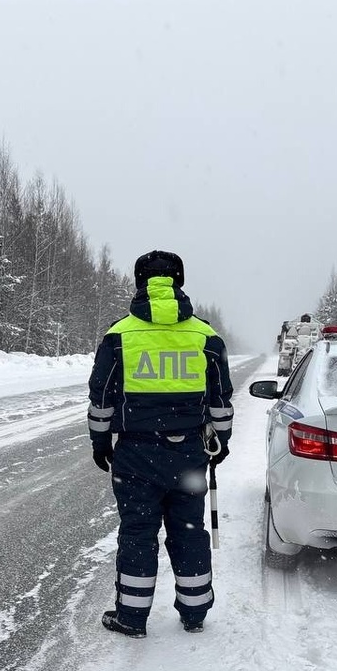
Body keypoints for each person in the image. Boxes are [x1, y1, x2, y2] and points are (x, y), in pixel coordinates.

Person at [87, 250, 234, 638]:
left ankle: (132, 619)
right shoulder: (205, 336)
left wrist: (101, 442)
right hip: (188, 454)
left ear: (139, 282)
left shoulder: (120, 335)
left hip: (135, 455)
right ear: (180, 281)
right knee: (189, 530)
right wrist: (222, 441)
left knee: (138, 533)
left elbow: (101, 397)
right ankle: (195, 612)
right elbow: (220, 400)